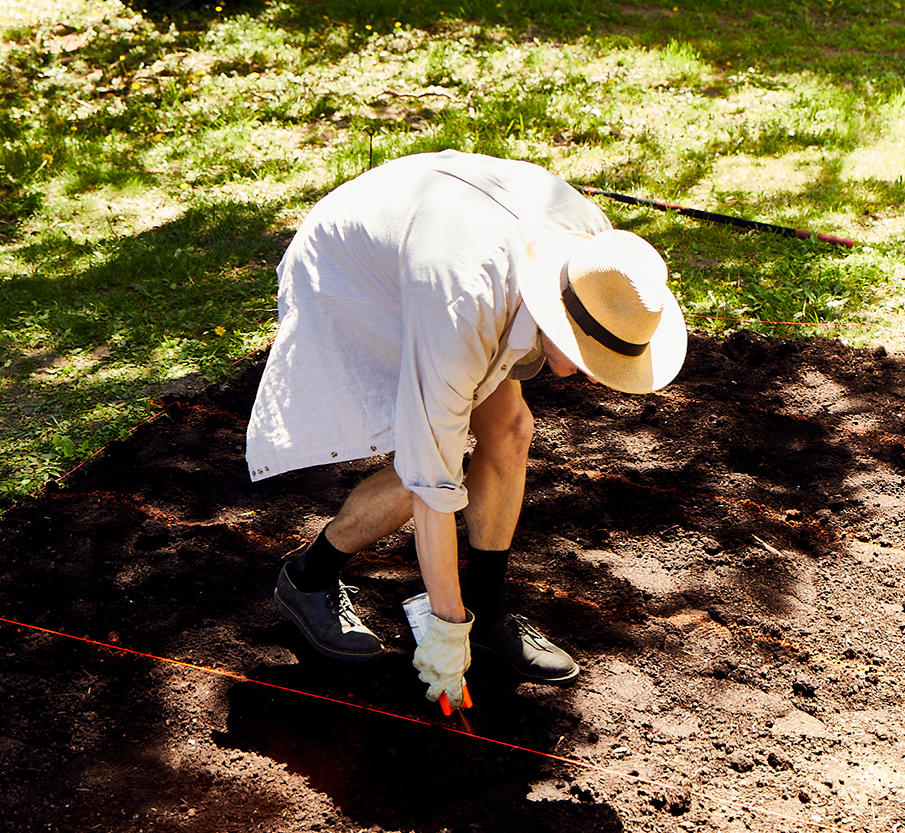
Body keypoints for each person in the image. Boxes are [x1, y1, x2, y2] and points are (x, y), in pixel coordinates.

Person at [246, 150, 686, 709]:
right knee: (430, 461)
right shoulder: (463, 306)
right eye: (582, 351)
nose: (579, 371)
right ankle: (308, 579)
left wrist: (468, 619)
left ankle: (489, 616)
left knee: (511, 428)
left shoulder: (600, 264)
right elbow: (432, 483)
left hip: (444, 242)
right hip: (355, 270)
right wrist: (446, 629)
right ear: (556, 307)